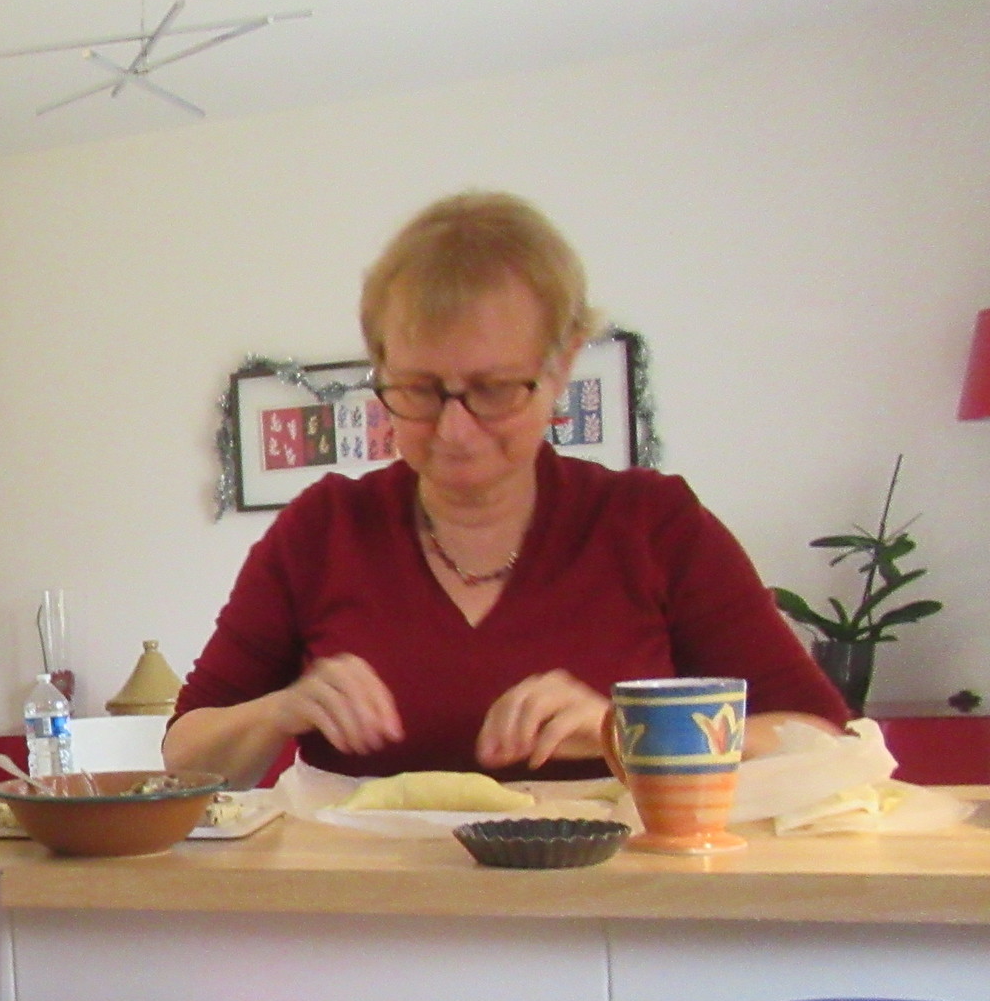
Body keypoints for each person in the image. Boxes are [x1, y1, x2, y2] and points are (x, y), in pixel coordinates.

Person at [166, 193, 846, 787]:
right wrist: (277, 710)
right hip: (370, 897)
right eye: (418, 390)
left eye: (493, 390)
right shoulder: (322, 530)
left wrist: (624, 731)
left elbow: (821, 740)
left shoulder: (653, 524)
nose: (455, 431)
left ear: (562, 366)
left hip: (608, 894)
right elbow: (183, 755)